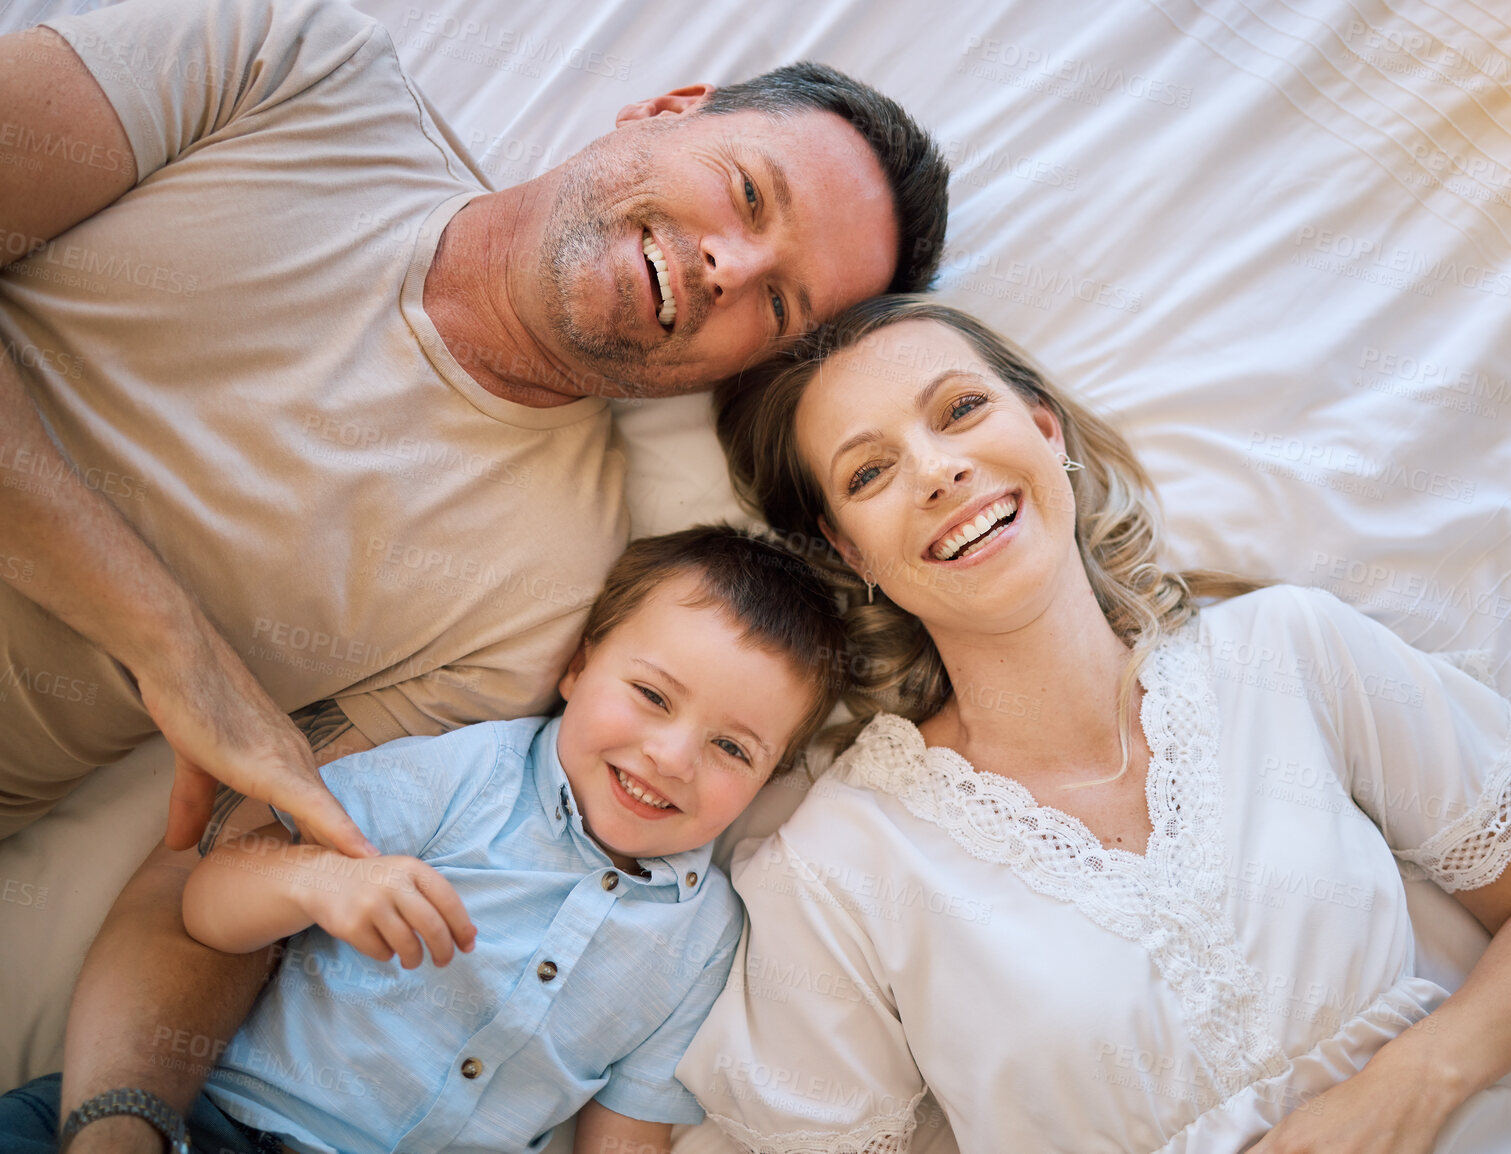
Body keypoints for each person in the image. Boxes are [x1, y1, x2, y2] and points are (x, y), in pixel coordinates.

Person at [0, 0, 946, 1142]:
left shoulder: (544, 605)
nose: (725, 265)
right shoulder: (283, 62)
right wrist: (170, 643)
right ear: (668, 110)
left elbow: (224, 880)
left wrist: (121, 1120)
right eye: (747, 193)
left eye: (778, 303)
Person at [675, 297, 1511, 1153]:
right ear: (853, 550)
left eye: (962, 409)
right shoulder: (841, 862)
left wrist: (1409, 1083)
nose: (937, 470)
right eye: (871, 470)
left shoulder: (1290, 652)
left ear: (1044, 427)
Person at [0, 525, 850, 1153]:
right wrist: (314, 882)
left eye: (731, 748)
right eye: (652, 696)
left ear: (770, 780)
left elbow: (625, 1130)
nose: (670, 758)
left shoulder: (704, 940)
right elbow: (206, 907)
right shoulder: (466, 777)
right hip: (218, 1124)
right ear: (578, 669)